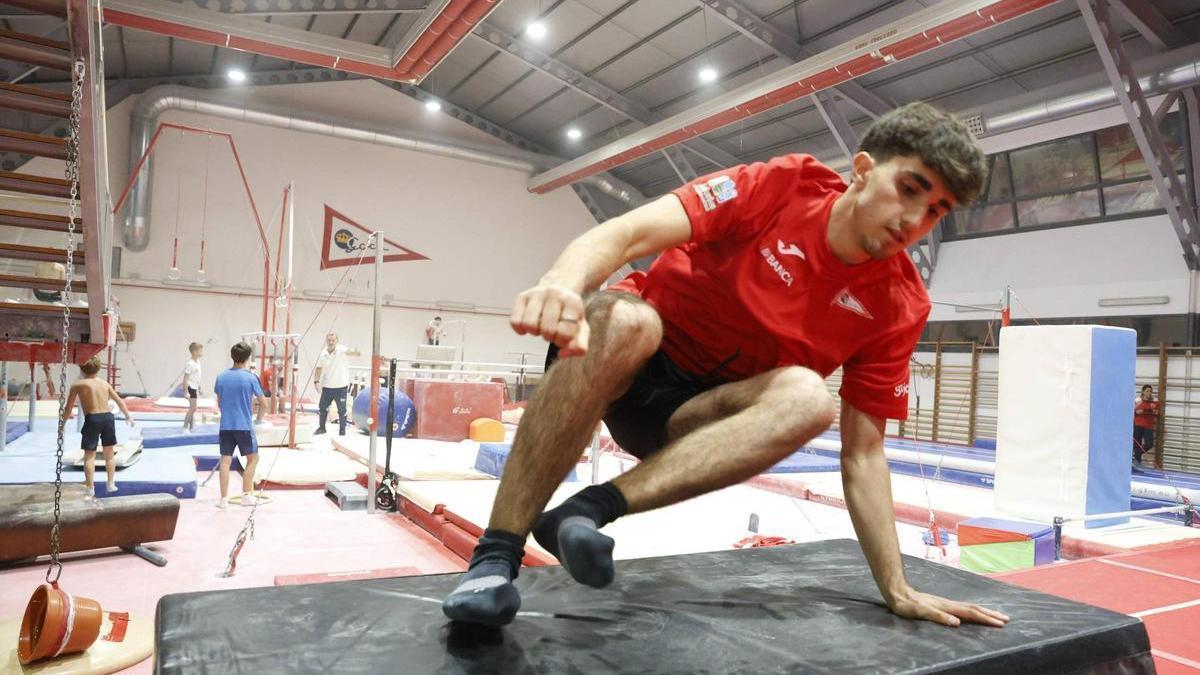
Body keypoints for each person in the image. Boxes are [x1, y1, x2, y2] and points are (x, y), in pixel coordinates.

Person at [441, 102, 1010, 631]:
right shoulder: (782, 186)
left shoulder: (899, 303)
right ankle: (494, 559)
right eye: (908, 189)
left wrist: (897, 586)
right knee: (632, 323)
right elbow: (628, 233)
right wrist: (561, 285)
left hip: (689, 419)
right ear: (862, 169)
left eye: (935, 211)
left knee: (810, 398)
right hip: (619, 358)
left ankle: (587, 511)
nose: (913, 218)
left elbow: (863, 452)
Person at [64, 357, 134, 496]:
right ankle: (111, 483)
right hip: (108, 418)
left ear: (81, 368)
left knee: (89, 455)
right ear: (99, 368)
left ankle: (90, 487)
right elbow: (119, 401)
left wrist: (62, 425)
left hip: (93, 419)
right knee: (109, 454)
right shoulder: (105, 383)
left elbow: (68, 408)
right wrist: (128, 416)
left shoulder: (78, 385)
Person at [213, 342, 266, 508]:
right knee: (253, 458)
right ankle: (246, 496)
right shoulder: (251, 378)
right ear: (248, 358)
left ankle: (223, 500)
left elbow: (220, 403)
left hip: (226, 425)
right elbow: (263, 403)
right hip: (244, 425)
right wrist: (258, 420)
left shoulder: (221, 377)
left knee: (225, 461)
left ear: (232, 356)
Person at [314, 332, 351, 436]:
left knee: (342, 409)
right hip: (327, 386)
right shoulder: (323, 353)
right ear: (326, 341)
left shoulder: (342, 350)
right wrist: (316, 381)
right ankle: (322, 428)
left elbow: (353, 353)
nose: (331, 342)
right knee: (322, 407)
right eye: (329, 340)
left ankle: (342, 430)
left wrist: (355, 352)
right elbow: (318, 368)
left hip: (341, 386)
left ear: (336, 341)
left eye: (333, 340)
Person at [1133, 384, 1159, 465]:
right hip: (1138, 424)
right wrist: (1137, 412)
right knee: (1137, 443)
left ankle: (1136, 454)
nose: (1149, 393)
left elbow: (1157, 412)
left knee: (1149, 443)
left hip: (1148, 426)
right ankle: (1137, 461)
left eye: (1151, 391)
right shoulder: (1137, 400)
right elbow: (1133, 411)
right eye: (1147, 391)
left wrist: (1153, 411)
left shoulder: (1155, 401)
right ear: (1143, 392)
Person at [182, 342, 203, 432]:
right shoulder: (190, 363)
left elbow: (197, 376)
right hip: (190, 387)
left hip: (194, 387)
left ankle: (191, 427)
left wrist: (199, 388)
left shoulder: (198, 362)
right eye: (200, 351)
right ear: (194, 352)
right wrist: (186, 391)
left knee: (193, 408)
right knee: (193, 408)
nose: (202, 353)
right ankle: (185, 427)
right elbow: (185, 378)